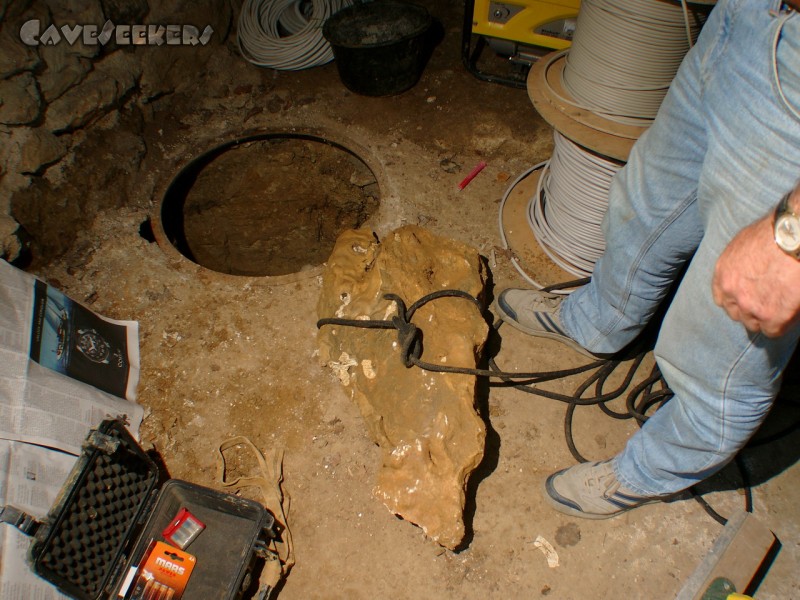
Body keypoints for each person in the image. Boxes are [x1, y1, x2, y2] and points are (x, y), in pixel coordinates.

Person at [496, 0, 800, 519]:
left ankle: (653, 468)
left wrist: (791, 237)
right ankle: (597, 321)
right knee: (647, 200)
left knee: (724, 335)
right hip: (742, 20)